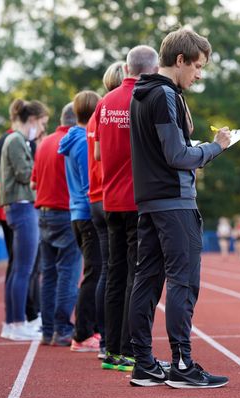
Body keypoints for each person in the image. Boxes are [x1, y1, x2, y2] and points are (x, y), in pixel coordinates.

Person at [128, 28, 231, 389]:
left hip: (149, 202)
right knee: (183, 283)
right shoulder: (165, 94)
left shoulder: (139, 93)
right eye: (198, 67)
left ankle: (143, 364)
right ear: (181, 60)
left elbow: (161, 150)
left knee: (147, 281)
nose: (199, 75)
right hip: (174, 202)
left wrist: (193, 146)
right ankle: (182, 365)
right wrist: (215, 147)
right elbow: (176, 156)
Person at [95, 46, 159, 371]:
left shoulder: (103, 102)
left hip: (109, 199)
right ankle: (130, 349)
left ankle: (110, 350)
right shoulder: (147, 99)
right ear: (153, 69)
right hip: (137, 198)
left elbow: (96, 154)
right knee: (138, 273)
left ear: (125, 67)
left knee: (115, 273)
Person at [0, 99, 48, 341]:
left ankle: (12, 322)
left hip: (19, 206)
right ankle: (17, 322)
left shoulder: (17, 140)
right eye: (41, 124)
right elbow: (26, 174)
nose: (41, 130)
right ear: (32, 120)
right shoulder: (17, 140)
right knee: (24, 270)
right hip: (22, 206)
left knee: (20, 269)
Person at [31, 103, 81, 345]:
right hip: (65, 213)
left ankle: (47, 329)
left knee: (48, 274)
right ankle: (62, 329)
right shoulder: (74, 141)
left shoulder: (44, 144)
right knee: (68, 273)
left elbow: (33, 183)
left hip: (43, 214)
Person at [58, 90, 103, 352]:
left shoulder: (72, 138)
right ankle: (83, 333)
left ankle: (90, 329)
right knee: (93, 274)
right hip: (87, 213)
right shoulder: (83, 142)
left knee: (93, 273)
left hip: (77, 213)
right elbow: (89, 184)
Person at [87, 61, 125, 360]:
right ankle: (114, 342)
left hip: (95, 197)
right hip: (112, 194)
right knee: (118, 272)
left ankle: (105, 341)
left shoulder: (97, 112)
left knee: (107, 271)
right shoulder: (116, 109)